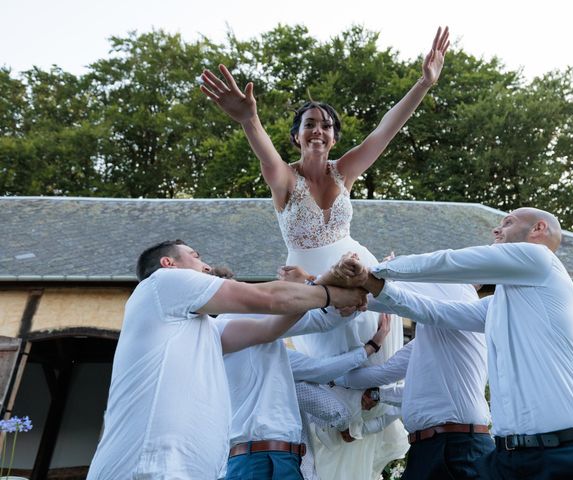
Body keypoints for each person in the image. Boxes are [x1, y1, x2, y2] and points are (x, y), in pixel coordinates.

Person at [199, 27, 449, 477]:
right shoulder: (285, 180)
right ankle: (335, 451)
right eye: (310, 124)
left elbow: (385, 131)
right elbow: (262, 153)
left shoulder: (345, 170)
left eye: (326, 125)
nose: (319, 130)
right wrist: (248, 118)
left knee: (371, 372)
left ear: (333, 137)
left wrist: (424, 83)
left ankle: (371, 431)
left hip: (360, 271)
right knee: (334, 380)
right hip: (317, 291)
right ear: (296, 136)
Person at [332, 208, 573, 479]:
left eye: (507, 222)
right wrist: (373, 287)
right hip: (509, 459)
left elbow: (450, 262)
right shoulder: (494, 307)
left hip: (569, 452)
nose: (496, 230)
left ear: (538, 228)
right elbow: (432, 312)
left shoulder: (542, 260)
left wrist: (379, 269)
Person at [86, 240, 365, 480]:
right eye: (196, 257)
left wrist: (325, 283)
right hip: (148, 468)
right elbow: (267, 299)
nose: (207, 266)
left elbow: (270, 328)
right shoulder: (163, 283)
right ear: (168, 262)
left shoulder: (209, 330)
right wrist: (333, 293)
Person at [335, 280, 495, 480]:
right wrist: (332, 377)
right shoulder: (431, 336)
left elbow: (392, 297)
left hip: (455, 448)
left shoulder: (458, 290)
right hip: (435, 446)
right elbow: (386, 373)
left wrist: (336, 293)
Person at [221, 311, 390, 480]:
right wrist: (371, 347)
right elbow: (321, 372)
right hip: (276, 458)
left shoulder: (216, 356)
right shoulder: (275, 355)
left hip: (236, 460)